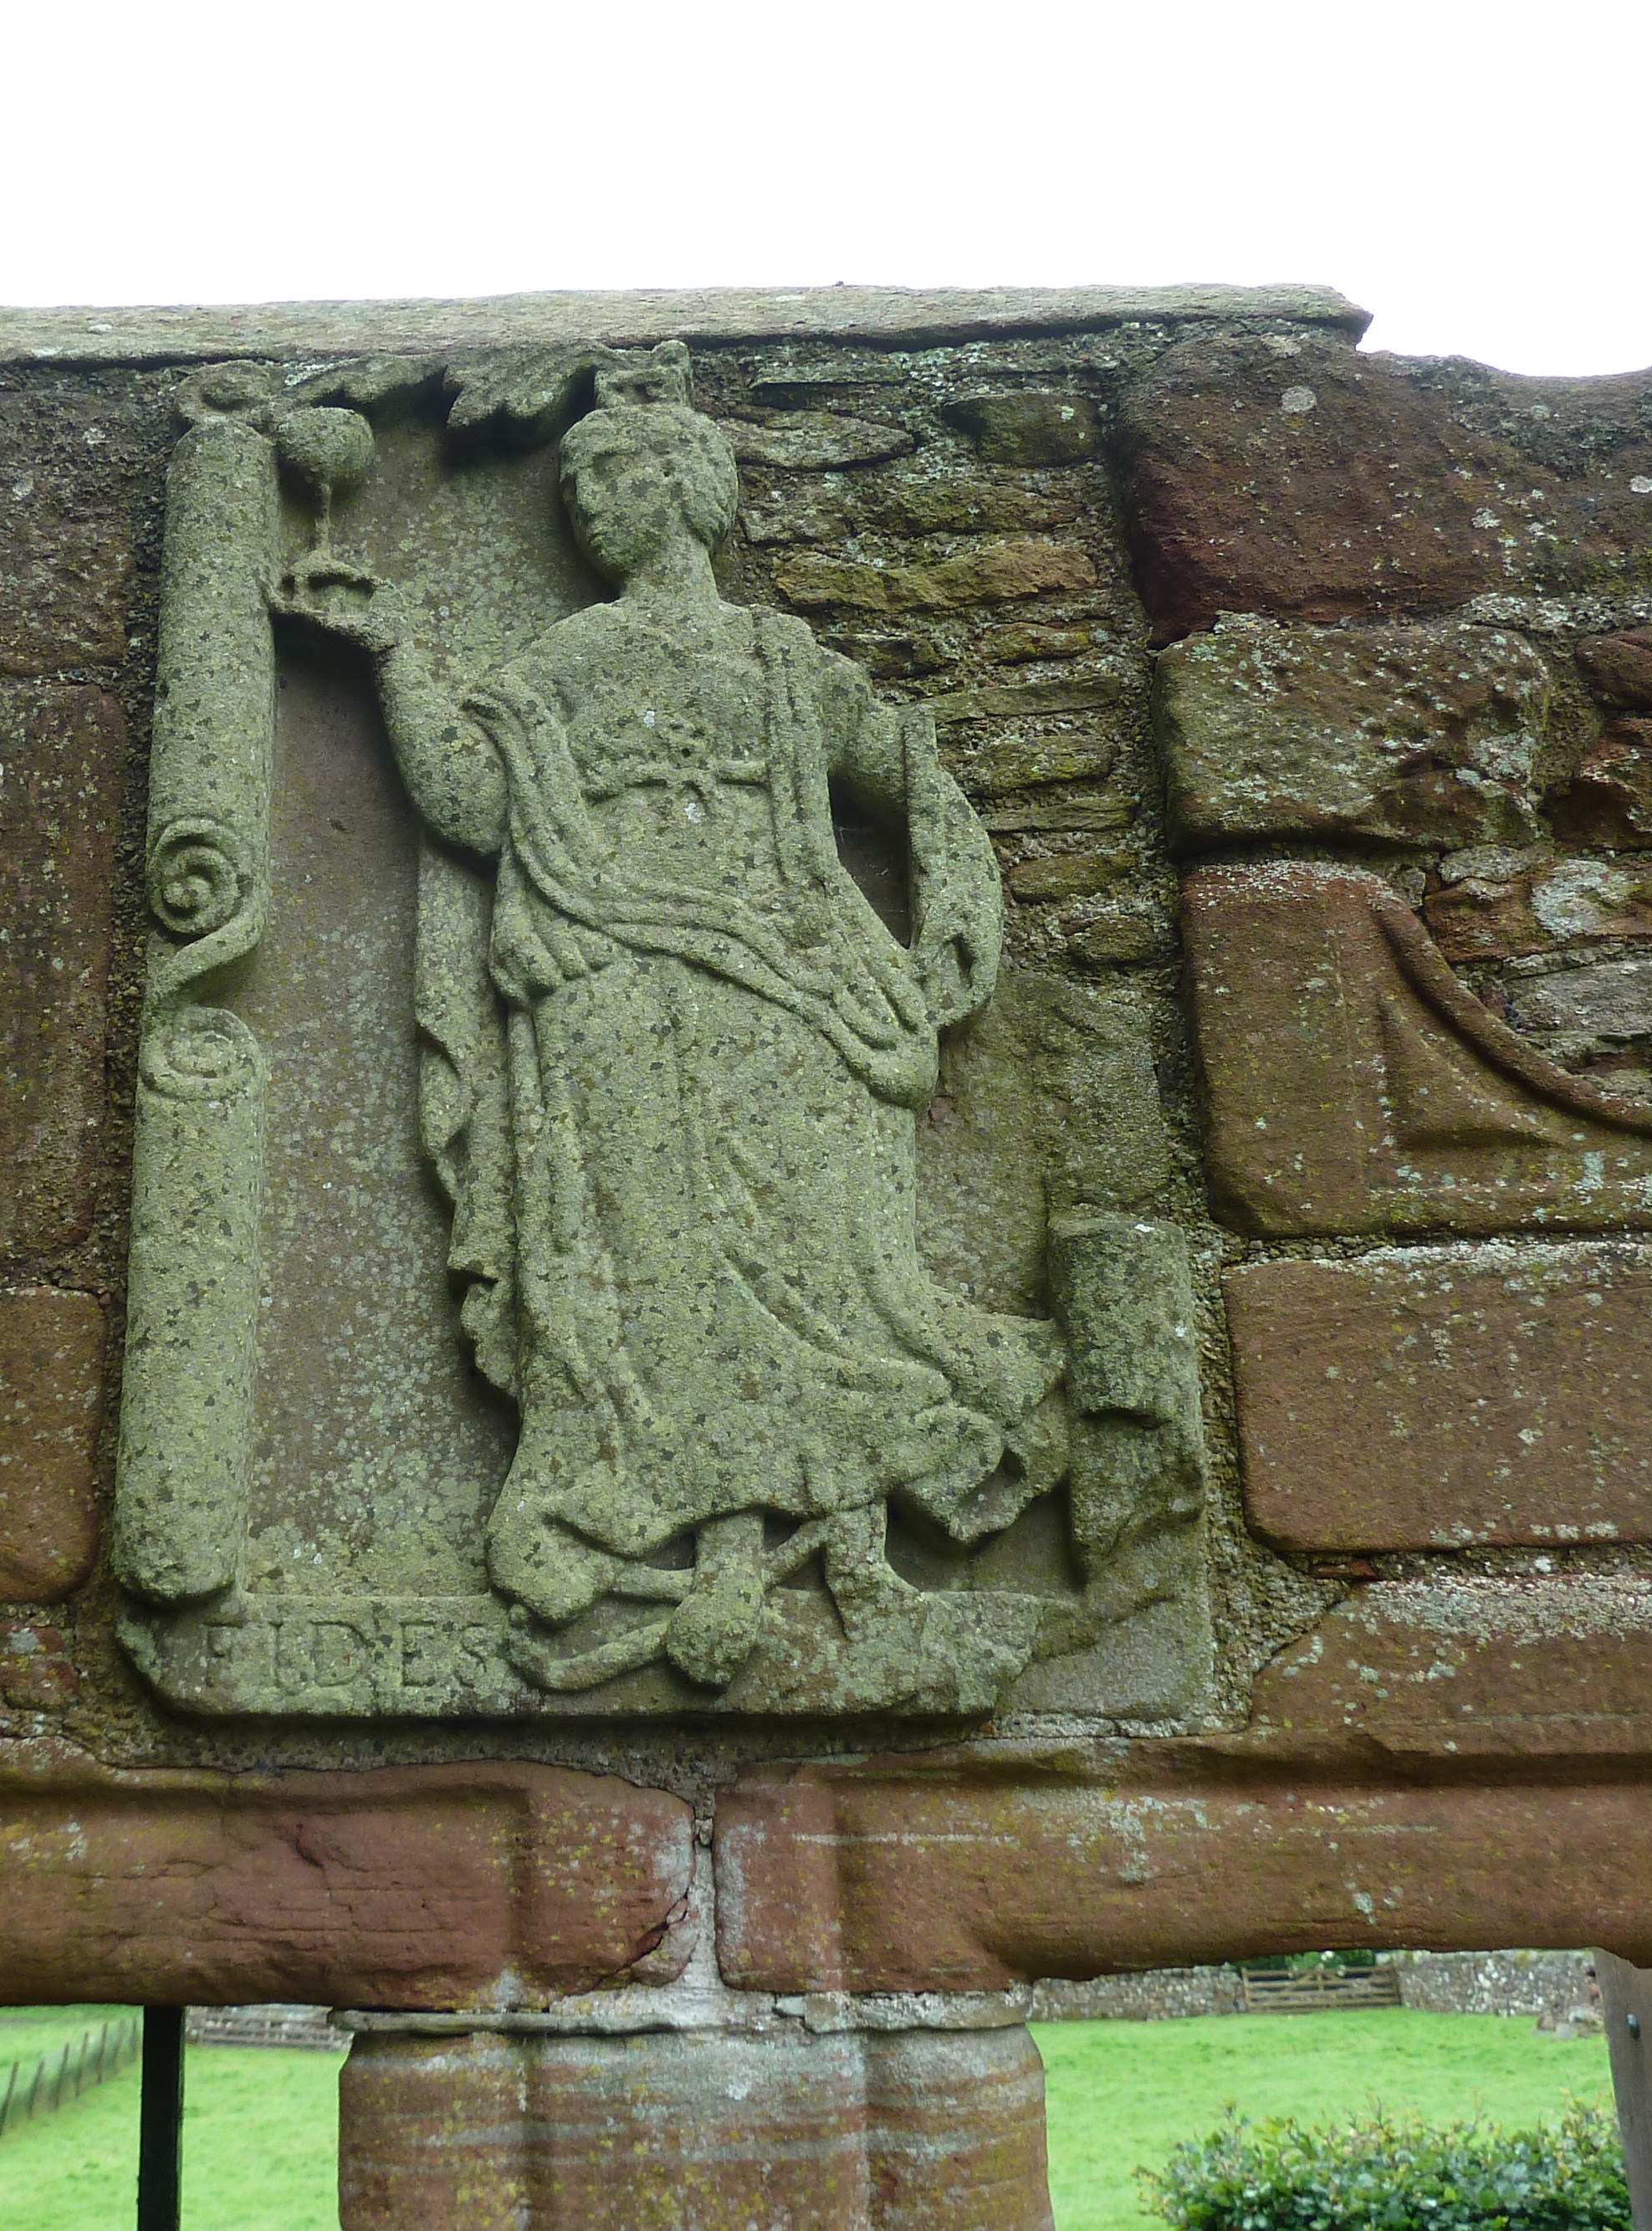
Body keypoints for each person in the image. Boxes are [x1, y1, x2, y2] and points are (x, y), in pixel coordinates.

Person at [275, 345, 1066, 1697]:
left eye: (634, 473)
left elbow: (909, 778)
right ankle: (720, 1546)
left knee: (835, 1273)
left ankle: (854, 1547)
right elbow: (478, 811)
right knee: (658, 1281)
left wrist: (953, 927)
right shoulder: (565, 664)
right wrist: (401, 656)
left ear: (697, 487)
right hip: (619, 995)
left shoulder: (780, 660)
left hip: (798, 991)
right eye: (589, 484)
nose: (607, 502)